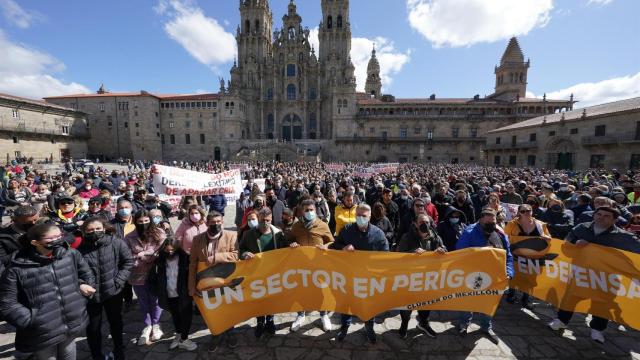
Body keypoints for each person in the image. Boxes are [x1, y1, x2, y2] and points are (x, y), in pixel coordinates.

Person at [0, 223, 96, 360]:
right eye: (51, 238)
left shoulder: (71, 254)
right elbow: (7, 303)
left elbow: (87, 275)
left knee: (69, 354)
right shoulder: (16, 268)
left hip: (71, 321)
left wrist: (81, 288)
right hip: (42, 331)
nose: (58, 240)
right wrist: (31, 320)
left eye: (59, 236)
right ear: (35, 242)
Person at [548, 206, 640, 344]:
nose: (601, 217)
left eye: (606, 216)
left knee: (602, 304)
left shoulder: (624, 236)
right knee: (571, 297)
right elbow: (567, 242)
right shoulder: (582, 228)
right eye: (599, 214)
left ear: (615, 220)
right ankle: (561, 320)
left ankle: (597, 330)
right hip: (580, 272)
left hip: (607, 278)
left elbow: (636, 254)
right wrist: (574, 243)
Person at [77, 218, 133, 360]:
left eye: (97, 229)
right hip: (91, 295)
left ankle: (119, 349)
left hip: (113, 291)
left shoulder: (116, 242)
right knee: (93, 327)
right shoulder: (78, 250)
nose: (94, 232)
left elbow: (127, 262)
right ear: (84, 231)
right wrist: (81, 284)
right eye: (90, 230)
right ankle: (96, 354)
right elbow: (73, 271)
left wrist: (119, 281)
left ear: (104, 228)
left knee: (116, 322)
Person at [333, 204, 389, 344]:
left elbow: (386, 254)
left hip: (368, 278)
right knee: (346, 302)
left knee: (369, 304)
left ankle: (369, 326)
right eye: (358, 215)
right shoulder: (346, 230)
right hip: (349, 275)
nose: (360, 218)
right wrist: (343, 247)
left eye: (364, 216)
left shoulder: (378, 234)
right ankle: (345, 326)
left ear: (369, 217)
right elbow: (336, 245)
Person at [456, 208, 514, 344]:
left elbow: (508, 255)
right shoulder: (469, 232)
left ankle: (486, 327)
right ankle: (464, 324)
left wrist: (509, 272)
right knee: (467, 300)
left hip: (494, 277)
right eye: (488, 223)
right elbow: (460, 253)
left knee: (489, 303)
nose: (491, 226)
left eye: (493, 222)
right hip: (472, 275)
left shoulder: (500, 233)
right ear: (481, 219)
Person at [188, 211, 239, 353]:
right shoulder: (197, 239)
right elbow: (192, 263)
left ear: (222, 222)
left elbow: (236, 255)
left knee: (227, 308)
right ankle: (216, 334)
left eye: (218, 222)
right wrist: (191, 286)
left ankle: (230, 333)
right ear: (206, 223)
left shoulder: (231, 235)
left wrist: (217, 257)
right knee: (212, 310)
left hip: (224, 280)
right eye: (212, 222)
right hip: (205, 282)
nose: (216, 225)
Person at [286, 200, 335, 332]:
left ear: (315, 210)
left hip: (319, 265)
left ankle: (324, 315)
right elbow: (290, 240)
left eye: (311, 210)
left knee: (321, 291)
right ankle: (300, 315)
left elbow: (332, 242)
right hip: (301, 265)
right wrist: (292, 244)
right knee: (300, 291)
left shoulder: (323, 225)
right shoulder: (296, 226)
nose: (309, 212)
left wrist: (326, 246)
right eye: (306, 210)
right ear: (302, 211)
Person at [397, 213, 446, 339]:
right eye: (421, 222)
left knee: (426, 304)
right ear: (415, 224)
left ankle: (423, 324)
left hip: (428, 279)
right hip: (410, 279)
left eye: (427, 222)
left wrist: (442, 251)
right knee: (407, 306)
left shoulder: (435, 237)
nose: (424, 224)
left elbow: (444, 251)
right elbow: (397, 256)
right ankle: (404, 324)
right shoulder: (407, 237)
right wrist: (411, 253)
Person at [239, 208, 286, 338]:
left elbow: (285, 250)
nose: (265, 223)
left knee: (271, 297)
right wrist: (244, 254)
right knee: (259, 298)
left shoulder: (278, 234)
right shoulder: (248, 235)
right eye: (262, 220)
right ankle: (260, 322)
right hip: (256, 273)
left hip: (273, 272)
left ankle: (270, 320)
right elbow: (240, 249)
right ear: (258, 219)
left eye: (267, 220)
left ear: (271, 220)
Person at [147, 237, 198, 351]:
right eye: (167, 251)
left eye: (172, 250)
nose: (170, 253)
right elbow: (150, 280)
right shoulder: (158, 262)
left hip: (184, 295)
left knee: (186, 317)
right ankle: (179, 335)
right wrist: (159, 292)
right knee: (175, 316)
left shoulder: (186, 259)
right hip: (169, 295)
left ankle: (184, 339)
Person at [125, 210, 166, 346]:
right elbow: (127, 256)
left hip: (155, 273)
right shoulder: (129, 236)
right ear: (135, 222)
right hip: (137, 274)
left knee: (155, 300)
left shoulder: (159, 233)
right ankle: (147, 325)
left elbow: (160, 252)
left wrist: (142, 254)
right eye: (140, 221)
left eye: (146, 221)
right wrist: (141, 257)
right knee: (143, 301)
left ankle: (156, 324)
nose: (144, 224)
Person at [503, 204, 551, 310]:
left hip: (534, 257)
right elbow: (505, 238)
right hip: (516, 256)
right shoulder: (512, 224)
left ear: (532, 211)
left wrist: (547, 238)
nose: (526, 213)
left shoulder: (540, 225)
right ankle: (511, 294)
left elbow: (549, 238)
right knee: (515, 275)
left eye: (528, 210)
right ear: (519, 212)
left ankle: (526, 298)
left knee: (531, 277)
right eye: (523, 211)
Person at [110, 199, 136, 309]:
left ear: (131, 208)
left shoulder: (137, 221)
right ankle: (128, 301)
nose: (124, 209)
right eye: (121, 208)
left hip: (138, 256)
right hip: (120, 258)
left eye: (126, 207)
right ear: (116, 209)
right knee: (124, 282)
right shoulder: (111, 225)